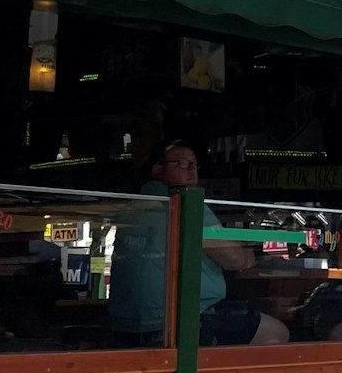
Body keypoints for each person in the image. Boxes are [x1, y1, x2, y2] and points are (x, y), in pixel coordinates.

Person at [109, 142, 289, 347]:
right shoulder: (185, 203)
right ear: (157, 169)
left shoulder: (133, 206)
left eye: (194, 163)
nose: (191, 169)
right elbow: (234, 259)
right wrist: (248, 255)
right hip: (186, 318)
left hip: (128, 325)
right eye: (181, 163)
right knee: (276, 332)